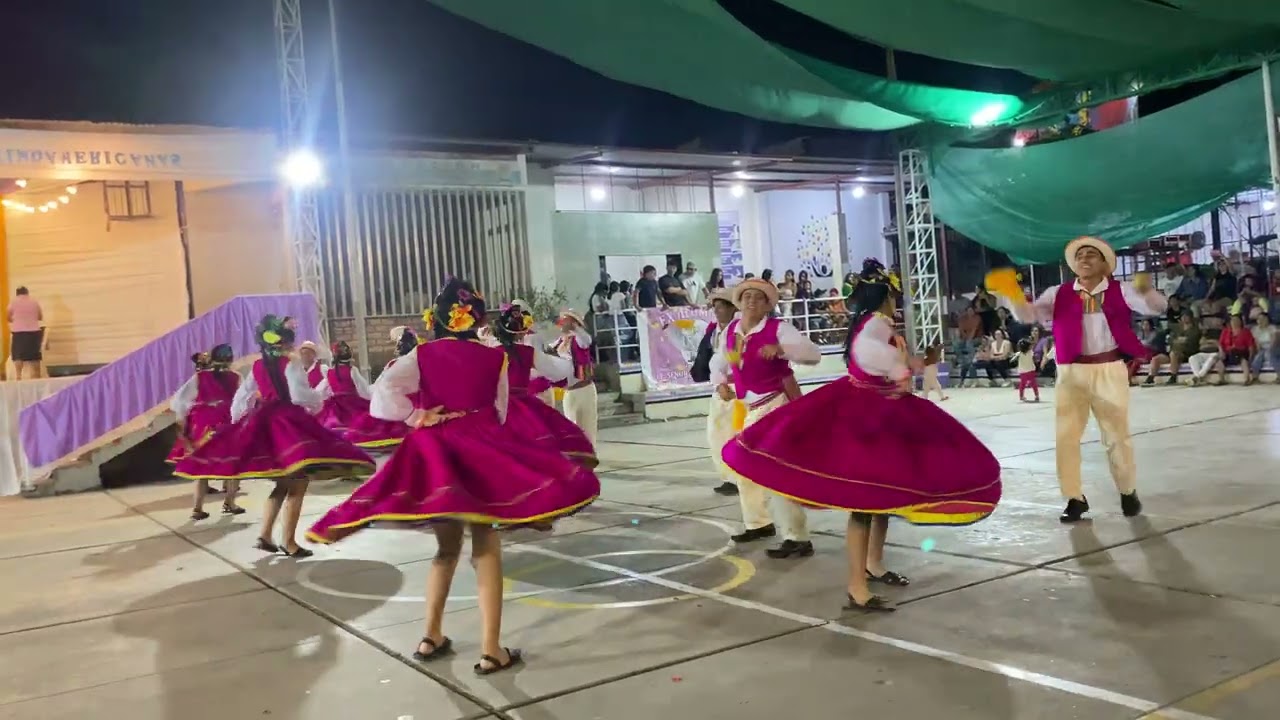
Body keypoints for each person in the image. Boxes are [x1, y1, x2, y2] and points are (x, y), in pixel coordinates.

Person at [307, 278, 600, 675]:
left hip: (436, 454)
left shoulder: (420, 356)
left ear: (436, 318)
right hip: (481, 451)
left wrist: (416, 416)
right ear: (475, 319)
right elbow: (498, 410)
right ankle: (491, 648)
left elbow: (382, 395)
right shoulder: (493, 358)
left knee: (445, 550)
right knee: (486, 546)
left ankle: (431, 636)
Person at [721, 259, 1001, 611]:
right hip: (865, 414)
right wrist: (903, 366)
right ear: (886, 294)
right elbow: (865, 354)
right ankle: (856, 586)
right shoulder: (875, 323)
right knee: (864, 502)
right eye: (895, 293)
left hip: (882, 412)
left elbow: (870, 356)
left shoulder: (874, 322)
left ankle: (873, 564)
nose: (898, 299)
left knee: (880, 494)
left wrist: (910, 365)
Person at [992, 236, 1166, 523]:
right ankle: (1074, 497)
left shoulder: (1120, 290)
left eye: (1091, 256)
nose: (1084, 259)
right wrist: (1012, 294)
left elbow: (1155, 308)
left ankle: (1127, 490)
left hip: (1110, 368)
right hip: (1071, 371)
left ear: (1104, 265)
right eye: (1080, 256)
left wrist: (1148, 292)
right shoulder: (1057, 293)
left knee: (1116, 437)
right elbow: (1028, 314)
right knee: (1066, 437)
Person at [174, 315, 375, 556]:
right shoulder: (290, 363)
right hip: (289, 423)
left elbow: (241, 398)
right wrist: (317, 405)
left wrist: (241, 422)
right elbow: (300, 395)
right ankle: (288, 542)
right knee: (297, 484)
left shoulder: (258, 366)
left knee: (282, 483)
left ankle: (265, 535)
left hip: (265, 423)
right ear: (285, 343)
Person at [709, 277, 819, 559]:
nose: (751, 302)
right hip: (750, 407)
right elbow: (720, 362)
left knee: (776, 471)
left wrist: (782, 349)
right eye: (746, 297)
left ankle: (797, 536)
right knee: (744, 466)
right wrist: (720, 382)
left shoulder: (778, 329)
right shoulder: (732, 331)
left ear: (768, 305)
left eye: (758, 298)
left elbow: (812, 353)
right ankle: (758, 522)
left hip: (776, 406)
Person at [493, 303, 597, 467]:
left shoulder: (493, 352)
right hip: (523, 405)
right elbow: (557, 370)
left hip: (498, 406)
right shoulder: (527, 351)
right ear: (521, 332)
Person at [167, 346, 242, 519]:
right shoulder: (236, 377)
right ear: (231, 360)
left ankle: (197, 508)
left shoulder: (200, 377)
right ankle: (229, 502)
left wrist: (184, 423)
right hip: (227, 423)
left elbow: (180, 401)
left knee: (202, 469)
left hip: (203, 425)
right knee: (234, 466)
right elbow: (243, 402)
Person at [345, 327, 419, 450]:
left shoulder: (397, 364)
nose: (398, 347)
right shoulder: (400, 363)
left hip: (405, 409)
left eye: (400, 343)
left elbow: (380, 386)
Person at [699, 289, 742, 497]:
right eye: (714, 308)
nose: (716, 311)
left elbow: (727, 360)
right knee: (716, 435)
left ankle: (738, 478)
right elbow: (714, 360)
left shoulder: (739, 328)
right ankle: (728, 477)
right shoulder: (715, 330)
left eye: (720, 307)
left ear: (732, 308)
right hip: (722, 387)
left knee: (735, 434)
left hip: (737, 388)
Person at [554, 310, 598, 444]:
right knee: (572, 426)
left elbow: (587, 340)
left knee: (588, 426)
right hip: (570, 391)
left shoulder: (579, 339)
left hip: (584, 388)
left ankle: (589, 456)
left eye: (565, 320)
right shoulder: (561, 341)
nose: (562, 323)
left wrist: (576, 328)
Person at [314, 341, 373, 433]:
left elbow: (320, 391)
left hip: (335, 406)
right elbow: (363, 390)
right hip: (353, 403)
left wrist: (325, 399)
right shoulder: (352, 370)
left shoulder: (329, 373)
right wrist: (370, 399)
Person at [1147, 312, 1200, 386]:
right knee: (1156, 358)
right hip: (1172, 351)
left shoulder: (1195, 330)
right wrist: (1178, 340)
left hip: (1186, 353)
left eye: (1186, 316)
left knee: (1173, 354)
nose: (1184, 318)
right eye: (1183, 316)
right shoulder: (1177, 329)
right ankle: (1150, 378)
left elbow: (1189, 341)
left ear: (1190, 317)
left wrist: (1177, 340)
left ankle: (1173, 377)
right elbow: (1170, 340)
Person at [7, 286, 43, 380]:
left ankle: (18, 376)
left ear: (17, 293)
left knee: (18, 355)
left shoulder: (13, 302)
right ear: (27, 293)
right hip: (34, 331)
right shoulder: (34, 302)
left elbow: (8, 317)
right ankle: (37, 377)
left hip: (18, 332)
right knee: (34, 356)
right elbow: (40, 317)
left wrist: (15, 319)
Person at [1215, 313, 1256, 385]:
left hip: (1241, 351)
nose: (1234, 322)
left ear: (1240, 321)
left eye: (1236, 320)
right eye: (1232, 320)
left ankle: (1247, 379)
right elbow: (1220, 344)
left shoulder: (1245, 332)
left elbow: (1250, 346)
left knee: (1243, 359)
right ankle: (1221, 379)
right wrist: (1221, 351)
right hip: (1228, 352)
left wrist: (1251, 356)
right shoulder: (1225, 331)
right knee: (1220, 361)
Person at [1251, 313, 1279, 382]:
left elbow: (1274, 341)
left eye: (1263, 319)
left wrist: (1269, 350)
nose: (1261, 321)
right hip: (1262, 348)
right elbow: (1256, 343)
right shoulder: (1255, 329)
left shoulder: (1272, 328)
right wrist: (1259, 350)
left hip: (1274, 347)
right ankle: (1255, 377)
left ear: (1267, 320)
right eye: (1259, 319)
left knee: (1271, 355)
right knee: (1258, 357)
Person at [1013, 338, 1039, 402]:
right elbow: (1034, 359)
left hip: (1023, 371)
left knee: (1022, 384)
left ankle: (1021, 396)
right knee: (1033, 383)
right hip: (1031, 370)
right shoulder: (1031, 352)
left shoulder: (1019, 353)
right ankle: (1036, 395)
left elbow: (1013, 359)